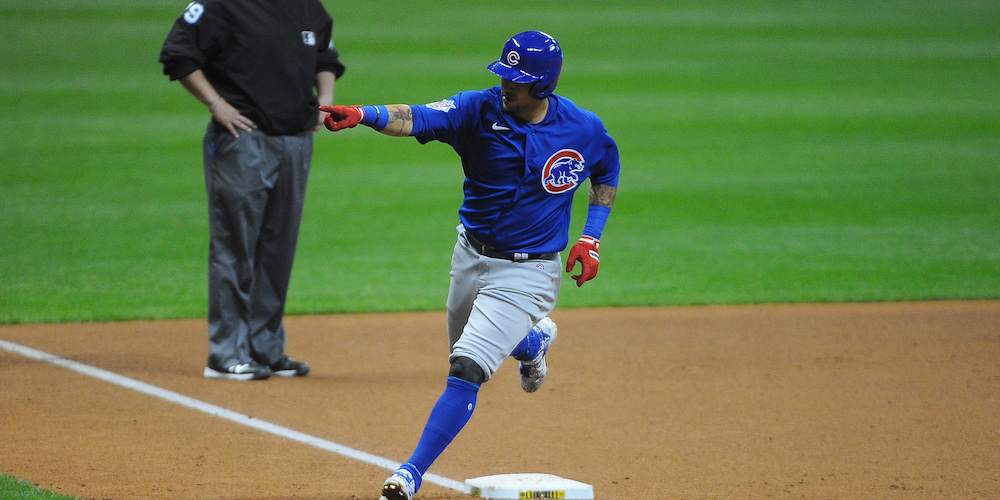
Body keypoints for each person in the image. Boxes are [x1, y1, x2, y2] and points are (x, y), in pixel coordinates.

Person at [319, 31, 620, 500]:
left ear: (542, 87)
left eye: (517, 80)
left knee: (466, 366)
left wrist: (590, 237)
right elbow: (414, 117)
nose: (505, 85)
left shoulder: (581, 128)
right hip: (470, 254)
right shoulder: (475, 110)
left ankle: (409, 473)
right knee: (466, 345)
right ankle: (532, 340)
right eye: (504, 74)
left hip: (530, 271)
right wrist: (361, 115)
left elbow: (606, 169)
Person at [158, 0, 346, 380]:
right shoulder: (220, 5)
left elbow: (325, 57)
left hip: (296, 140)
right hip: (243, 138)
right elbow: (178, 55)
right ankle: (225, 353)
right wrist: (217, 105)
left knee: (279, 246)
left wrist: (325, 101)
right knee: (235, 244)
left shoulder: (306, 7)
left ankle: (266, 347)